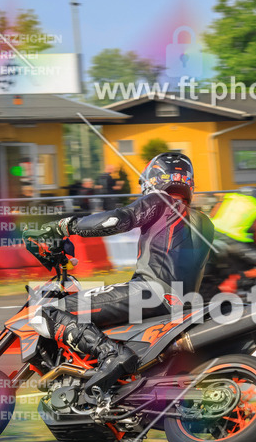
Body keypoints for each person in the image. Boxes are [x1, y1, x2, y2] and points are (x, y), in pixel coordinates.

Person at [24, 153, 214, 391]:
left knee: (49, 313)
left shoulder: (160, 201)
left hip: (150, 292)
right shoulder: (206, 223)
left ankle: (110, 354)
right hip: (183, 304)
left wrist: (65, 225)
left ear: (153, 179)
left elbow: (116, 220)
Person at [199, 190, 256, 301]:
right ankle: (234, 282)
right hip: (234, 240)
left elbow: (213, 214)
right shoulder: (255, 205)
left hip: (212, 235)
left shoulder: (229, 198)